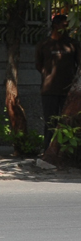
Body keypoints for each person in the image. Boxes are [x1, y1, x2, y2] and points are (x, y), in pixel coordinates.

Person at [35, 12, 79, 150]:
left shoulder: (73, 44)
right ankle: (48, 150)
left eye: (67, 27)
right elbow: (38, 65)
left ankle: (66, 152)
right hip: (49, 90)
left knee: (68, 122)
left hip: (68, 90)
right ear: (55, 26)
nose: (65, 30)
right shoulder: (44, 44)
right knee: (50, 122)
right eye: (63, 26)